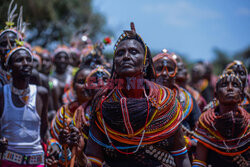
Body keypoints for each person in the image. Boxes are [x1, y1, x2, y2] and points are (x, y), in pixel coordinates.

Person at [84, 22, 191, 167]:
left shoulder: (166, 103)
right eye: (120, 53)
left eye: (133, 52)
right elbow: (93, 157)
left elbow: (181, 157)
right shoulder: (102, 103)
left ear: (145, 62)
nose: (126, 57)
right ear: (114, 62)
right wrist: (77, 154)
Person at [0, 46, 48, 166]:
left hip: (36, 160)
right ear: (9, 67)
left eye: (28, 59)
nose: (25, 63)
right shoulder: (2, 93)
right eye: (19, 60)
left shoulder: (41, 93)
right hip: (8, 161)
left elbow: (44, 128)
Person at [193, 70, 249, 167]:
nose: (230, 88)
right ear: (216, 95)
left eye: (235, 85)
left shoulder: (248, 123)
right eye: (224, 85)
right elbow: (199, 162)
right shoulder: (206, 123)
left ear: (241, 95)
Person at [153, 51, 201, 131]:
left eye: (170, 69)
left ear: (175, 74)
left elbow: (198, 130)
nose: (165, 73)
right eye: (159, 69)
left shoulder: (186, 99)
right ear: (152, 72)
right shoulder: (143, 97)